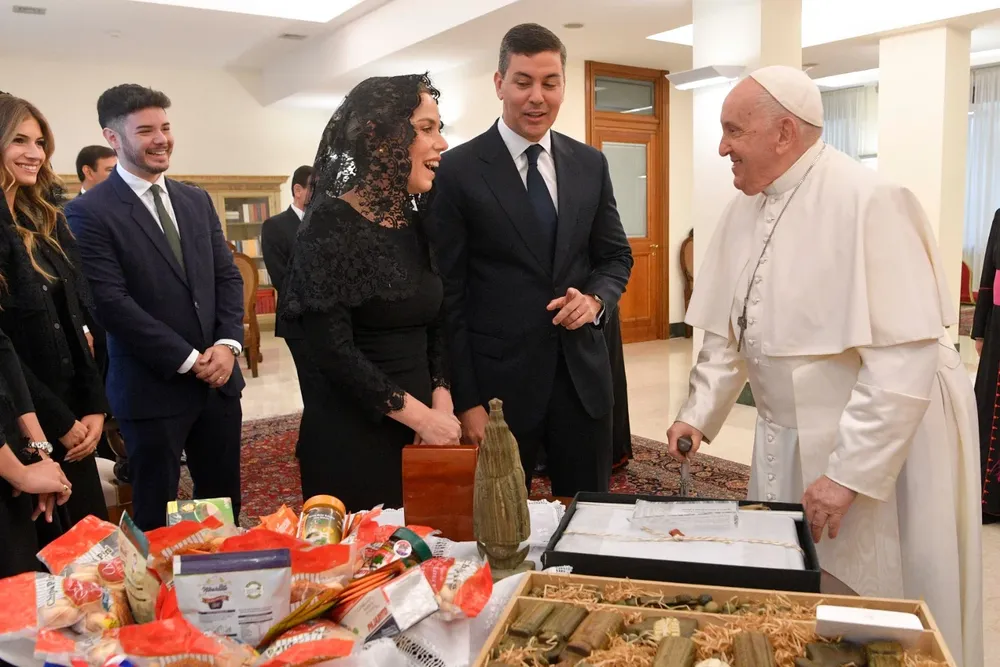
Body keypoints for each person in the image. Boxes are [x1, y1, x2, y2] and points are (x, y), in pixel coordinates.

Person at [666, 66, 982, 667]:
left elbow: (901, 360)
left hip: (877, 439)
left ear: (784, 132)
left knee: (873, 595)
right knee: (792, 580)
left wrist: (849, 474)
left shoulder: (872, 202)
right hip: (786, 434)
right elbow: (733, 330)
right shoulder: (744, 208)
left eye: (734, 131)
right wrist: (698, 414)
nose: (722, 147)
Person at [426, 24, 633, 496]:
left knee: (587, 516)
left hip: (582, 381)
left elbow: (615, 255)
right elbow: (448, 296)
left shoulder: (590, 164)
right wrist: (468, 401)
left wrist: (598, 300)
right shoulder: (457, 171)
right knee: (501, 527)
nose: (537, 97)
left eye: (550, 82)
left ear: (563, 84)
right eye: (523, 82)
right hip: (500, 389)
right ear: (499, 83)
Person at [65, 84, 245, 531]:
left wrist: (227, 345)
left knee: (222, 504)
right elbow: (110, 303)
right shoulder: (88, 212)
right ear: (112, 137)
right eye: (145, 130)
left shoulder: (195, 199)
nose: (161, 138)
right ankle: (156, 600)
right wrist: (188, 360)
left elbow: (226, 277)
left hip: (219, 383)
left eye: (165, 127)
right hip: (152, 388)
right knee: (156, 514)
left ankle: (218, 590)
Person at [278, 74, 461, 512]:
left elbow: (436, 323)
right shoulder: (329, 226)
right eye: (427, 128)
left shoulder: (415, 224)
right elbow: (333, 351)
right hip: (355, 439)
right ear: (383, 137)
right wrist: (420, 416)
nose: (442, 143)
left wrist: (441, 398)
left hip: (424, 432)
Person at [0, 95, 109, 527]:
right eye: (18, 140)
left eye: (40, 141)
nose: (34, 153)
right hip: (23, 423)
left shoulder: (46, 218)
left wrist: (95, 407)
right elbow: (4, 351)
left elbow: (76, 317)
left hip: (75, 418)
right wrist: (60, 422)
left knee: (93, 553)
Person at [261, 166, 320, 384]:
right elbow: (281, 278)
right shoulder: (274, 226)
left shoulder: (326, 223)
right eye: (317, 188)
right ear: (298, 190)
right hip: (299, 320)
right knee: (312, 383)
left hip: (333, 319)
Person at [973, 207, 1000, 522]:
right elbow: (988, 274)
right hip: (998, 328)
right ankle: (987, 502)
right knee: (989, 412)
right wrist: (978, 330)